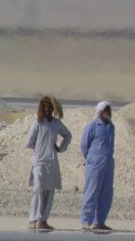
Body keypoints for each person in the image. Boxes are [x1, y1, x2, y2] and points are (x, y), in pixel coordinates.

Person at [26, 95, 72, 232]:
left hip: (52, 162)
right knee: (38, 190)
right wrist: (39, 149)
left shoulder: (57, 124)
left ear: (53, 109)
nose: (48, 110)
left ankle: (43, 220)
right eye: (45, 108)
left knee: (49, 191)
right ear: (42, 109)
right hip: (39, 161)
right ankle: (33, 219)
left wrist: (60, 148)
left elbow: (68, 135)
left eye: (50, 108)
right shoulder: (37, 123)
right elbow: (29, 142)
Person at [80, 101, 116, 233]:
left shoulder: (111, 127)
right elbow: (84, 145)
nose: (109, 113)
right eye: (106, 110)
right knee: (91, 191)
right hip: (95, 163)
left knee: (106, 193)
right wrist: (91, 159)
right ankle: (86, 221)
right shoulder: (92, 126)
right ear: (100, 112)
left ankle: (99, 222)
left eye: (109, 110)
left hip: (108, 163)